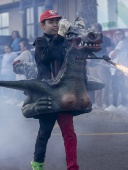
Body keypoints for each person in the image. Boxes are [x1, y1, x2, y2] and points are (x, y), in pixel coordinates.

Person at [21, 10, 79, 170]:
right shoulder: (40, 41)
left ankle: (73, 166)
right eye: (51, 22)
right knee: (44, 133)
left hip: (65, 93)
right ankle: (38, 164)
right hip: (47, 94)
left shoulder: (64, 40)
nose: (55, 25)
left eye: (57, 21)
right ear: (42, 25)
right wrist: (60, 36)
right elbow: (47, 56)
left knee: (69, 133)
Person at [88, 23, 114, 109]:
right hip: (92, 65)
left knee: (104, 84)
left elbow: (110, 52)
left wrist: (105, 60)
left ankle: (105, 104)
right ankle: (98, 104)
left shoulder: (105, 39)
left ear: (99, 30)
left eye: (94, 29)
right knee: (96, 85)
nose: (93, 31)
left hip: (101, 65)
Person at [105, 29, 128, 111]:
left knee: (116, 86)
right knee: (120, 86)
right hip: (119, 67)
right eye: (116, 34)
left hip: (119, 68)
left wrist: (110, 54)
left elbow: (113, 54)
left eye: (119, 34)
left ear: (123, 34)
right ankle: (123, 104)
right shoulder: (123, 43)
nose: (118, 36)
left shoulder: (121, 42)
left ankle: (115, 105)